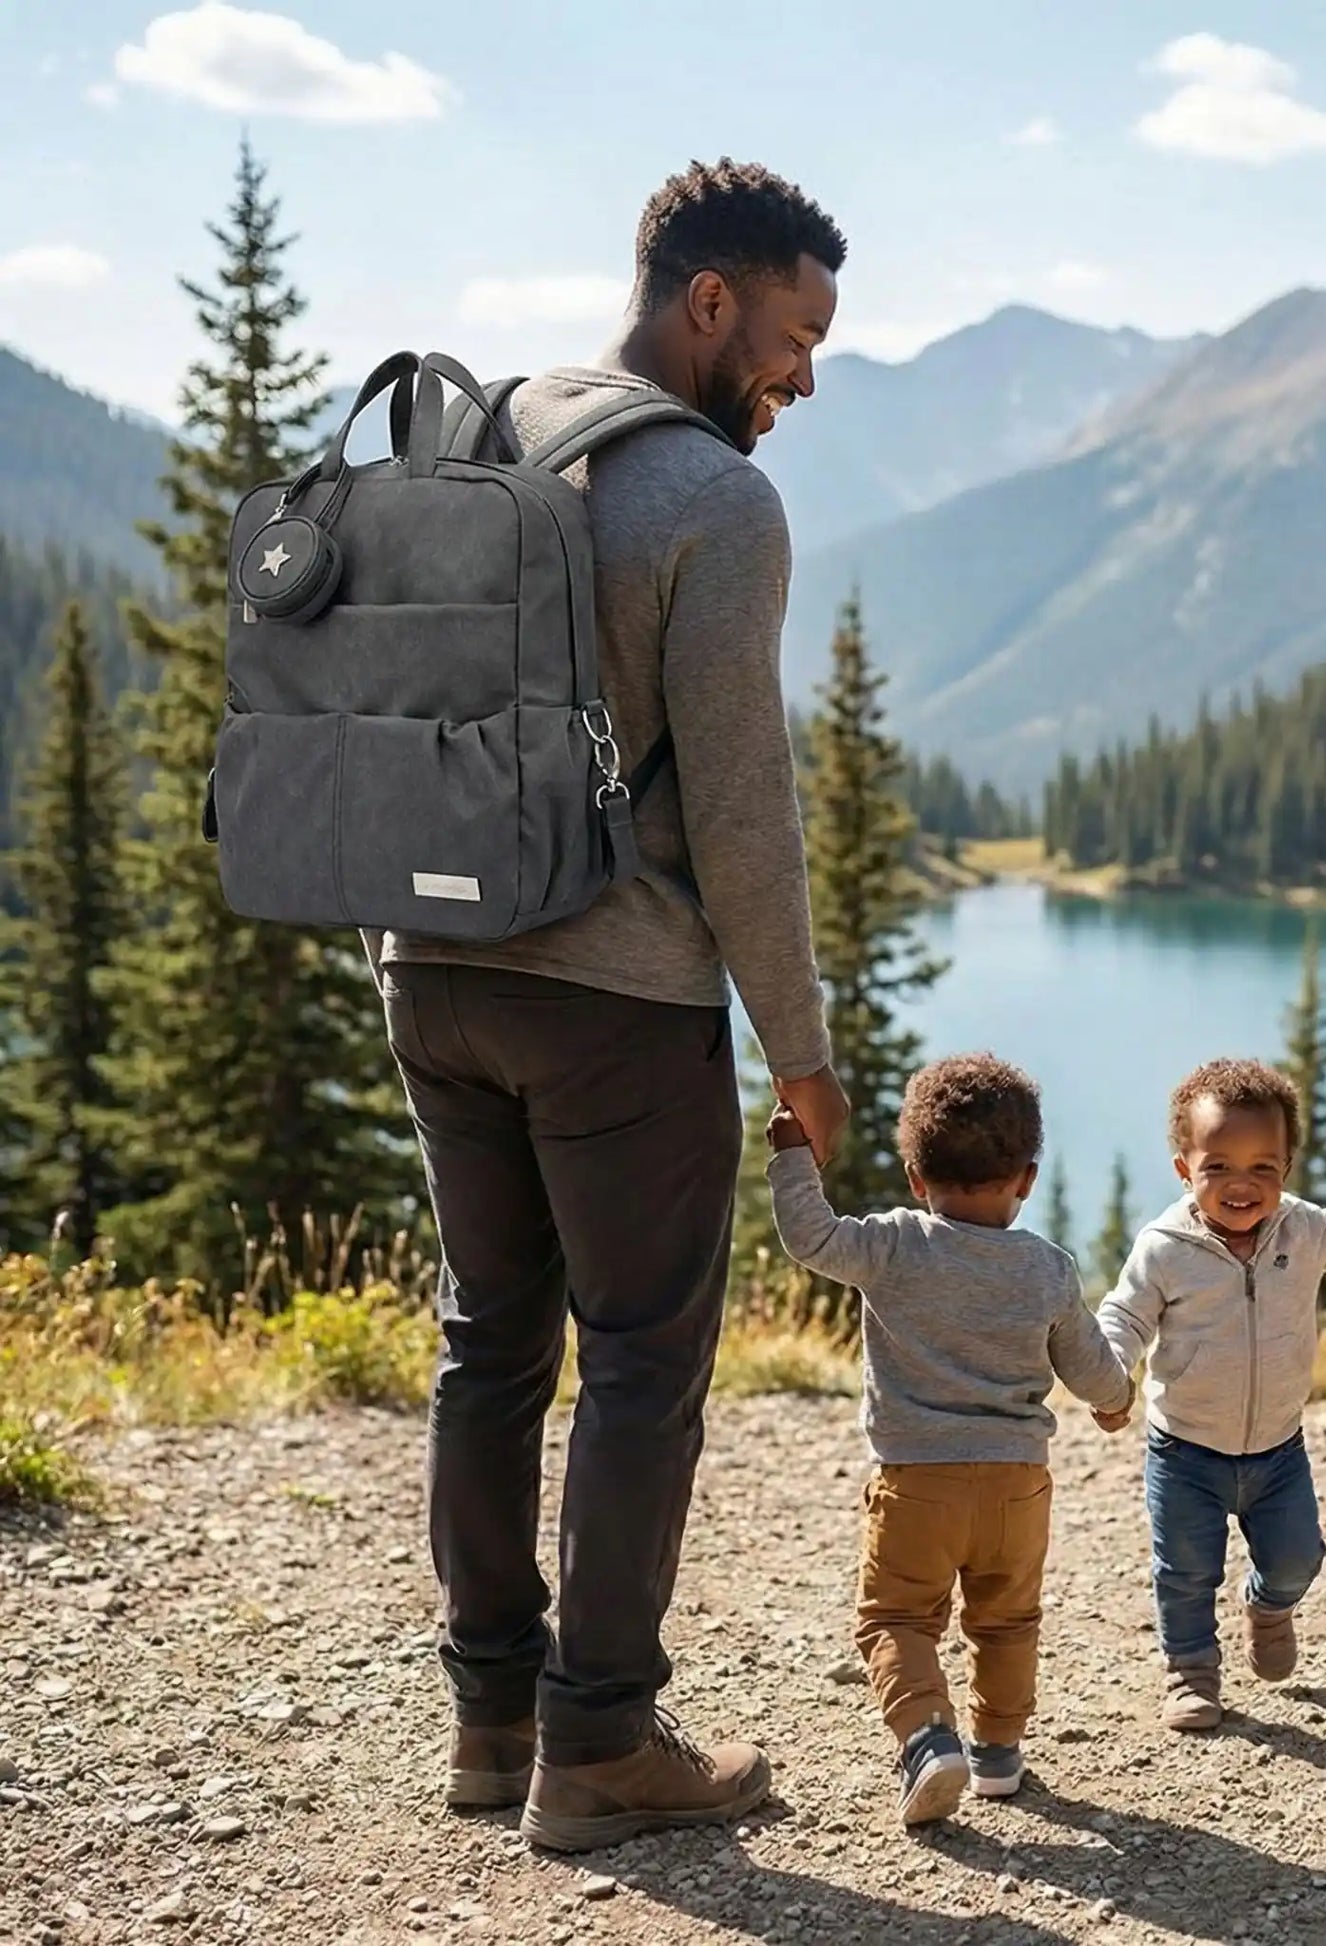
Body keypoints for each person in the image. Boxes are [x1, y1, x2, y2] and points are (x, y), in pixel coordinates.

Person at [372, 159, 852, 1854]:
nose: (800, 378)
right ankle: (601, 1746)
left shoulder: (485, 429)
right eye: (793, 337)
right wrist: (801, 1051)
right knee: (641, 1363)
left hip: (431, 970)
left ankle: (489, 1720)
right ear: (704, 302)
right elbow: (740, 808)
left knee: (490, 1337)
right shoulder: (713, 500)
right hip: (613, 995)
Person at [765, 1054, 1134, 1827]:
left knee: (895, 1621)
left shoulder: (894, 1245)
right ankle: (999, 1755)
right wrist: (1115, 1402)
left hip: (917, 1485)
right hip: (1016, 1488)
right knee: (1005, 1620)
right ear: (1026, 1179)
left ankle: (930, 1739)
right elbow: (1090, 1365)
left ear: (913, 1176)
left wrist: (795, 1158)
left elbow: (809, 1237)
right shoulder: (1047, 1267)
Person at [1096, 1059, 1326, 1732]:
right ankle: (1190, 1674)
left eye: (1262, 1169)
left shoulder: (1301, 1231)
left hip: (1278, 1449)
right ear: (1185, 1169)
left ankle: (1269, 1607)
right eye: (1218, 1168)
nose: (1241, 1186)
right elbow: (1122, 1317)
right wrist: (1109, 1374)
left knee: (1300, 1557)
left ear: (1287, 1168)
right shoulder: (1164, 1248)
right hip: (1184, 1452)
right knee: (1183, 1572)